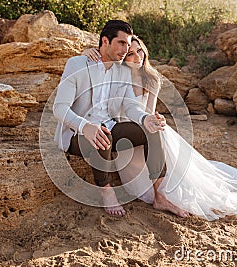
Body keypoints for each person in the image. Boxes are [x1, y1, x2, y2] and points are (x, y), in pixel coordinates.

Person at [82, 35, 237, 221]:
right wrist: (87, 51)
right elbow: (100, 61)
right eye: (130, 54)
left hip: (143, 128)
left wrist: (151, 119)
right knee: (142, 184)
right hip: (124, 135)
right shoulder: (117, 75)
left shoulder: (152, 79)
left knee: (158, 134)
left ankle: (162, 189)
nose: (137, 57)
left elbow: (148, 112)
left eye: (139, 51)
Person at [53, 20, 190, 217]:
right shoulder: (77, 64)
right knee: (102, 135)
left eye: (128, 44)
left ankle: (160, 195)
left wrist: (145, 119)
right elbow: (59, 109)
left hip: (110, 126)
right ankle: (107, 192)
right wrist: (85, 127)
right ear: (105, 41)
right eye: (122, 43)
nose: (126, 49)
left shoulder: (123, 71)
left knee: (150, 129)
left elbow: (130, 106)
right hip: (77, 133)